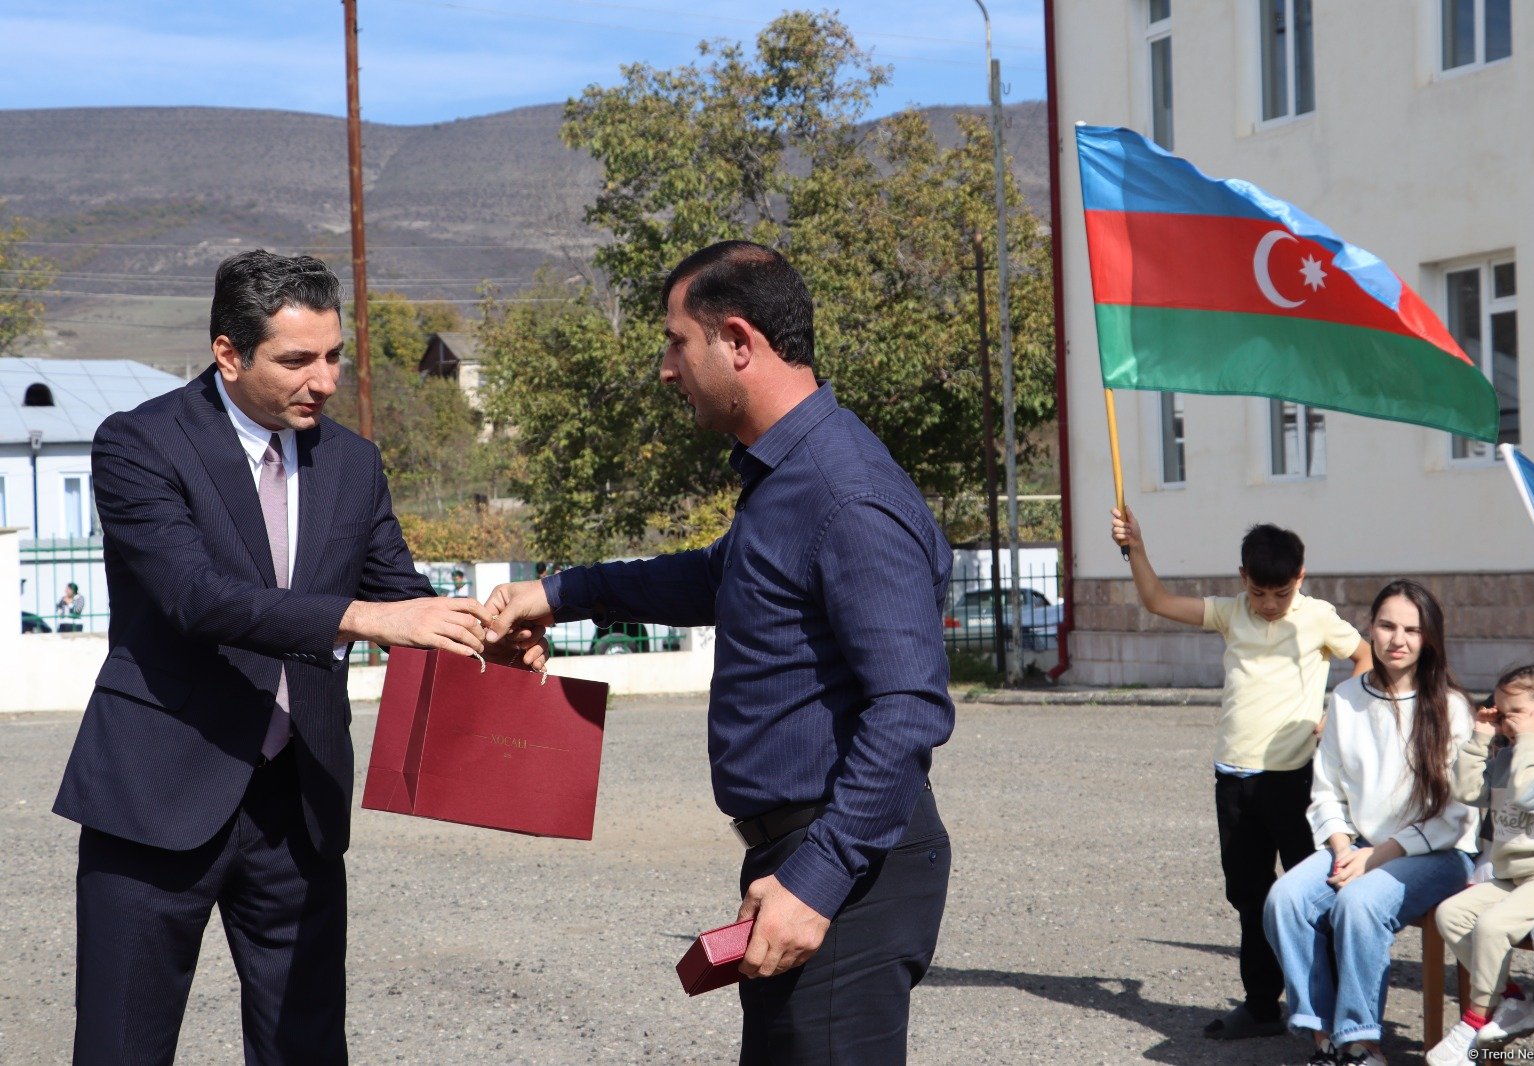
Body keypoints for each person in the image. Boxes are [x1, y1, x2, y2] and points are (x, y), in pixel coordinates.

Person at [484, 240, 954, 1064]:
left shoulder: (847, 492)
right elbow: (720, 577)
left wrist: (818, 879)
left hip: (846, 868)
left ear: (737, 341)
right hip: (800, 856)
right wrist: (556, 595)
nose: (668, 369)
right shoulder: (790, 476)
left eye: (677, 342)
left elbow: (909, 706)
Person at [51, 250, 520, 1065]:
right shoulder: (139, 445)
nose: (325, 380)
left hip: (298, 807)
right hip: (157, 799)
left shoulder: (354, 462)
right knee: (121, 1047)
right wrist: (368, 618)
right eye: (297, 360)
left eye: (334, 355)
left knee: (305, 1049)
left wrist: (492, 632)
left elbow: (403, 597)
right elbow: (197, 599)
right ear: (227, 353)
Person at [1110, 510, 1371, 1040]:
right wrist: (1136, 546)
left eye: (1281, 593)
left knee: (1313, 892)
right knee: (1249, 896)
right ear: (1242, 579)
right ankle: (1260, 1006)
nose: (1270, 605)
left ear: (1300, 578)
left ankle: (1332, 1008)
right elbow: (1157, 601)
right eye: (1259, 593)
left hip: (1295, 780)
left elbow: (1364, 658)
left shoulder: (1318, 617)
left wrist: (1334, 715)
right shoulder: (1231, 614)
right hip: (1233, 778)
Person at [1263, 579, 1479, 1066]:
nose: (1397, 639)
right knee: (1286, 899)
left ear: (1430, 639)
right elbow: (1326, 790)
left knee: (1359, 903)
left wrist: (1376, 857)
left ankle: (1361, 1040)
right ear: (1370, 629)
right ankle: (1323, 1036)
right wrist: (1343, 848)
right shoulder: (1344, 697)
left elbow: (1457, 814)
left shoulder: (1451, 707)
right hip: (1357, 844)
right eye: (1386, 625)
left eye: (1412, 629)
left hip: (1437, 854)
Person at [1427, 663, 1534, 1064]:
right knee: (1451, 914)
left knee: (1491, 927)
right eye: (1501, 712)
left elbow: (1526, 793)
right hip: (1511, 876)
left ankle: (1473, 1020)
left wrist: (1526, 744)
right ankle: (1514, 1000)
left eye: (1516, 711)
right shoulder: (1509, 756)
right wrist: (1481, 735)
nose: (1506, 721)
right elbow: (1467, 790)